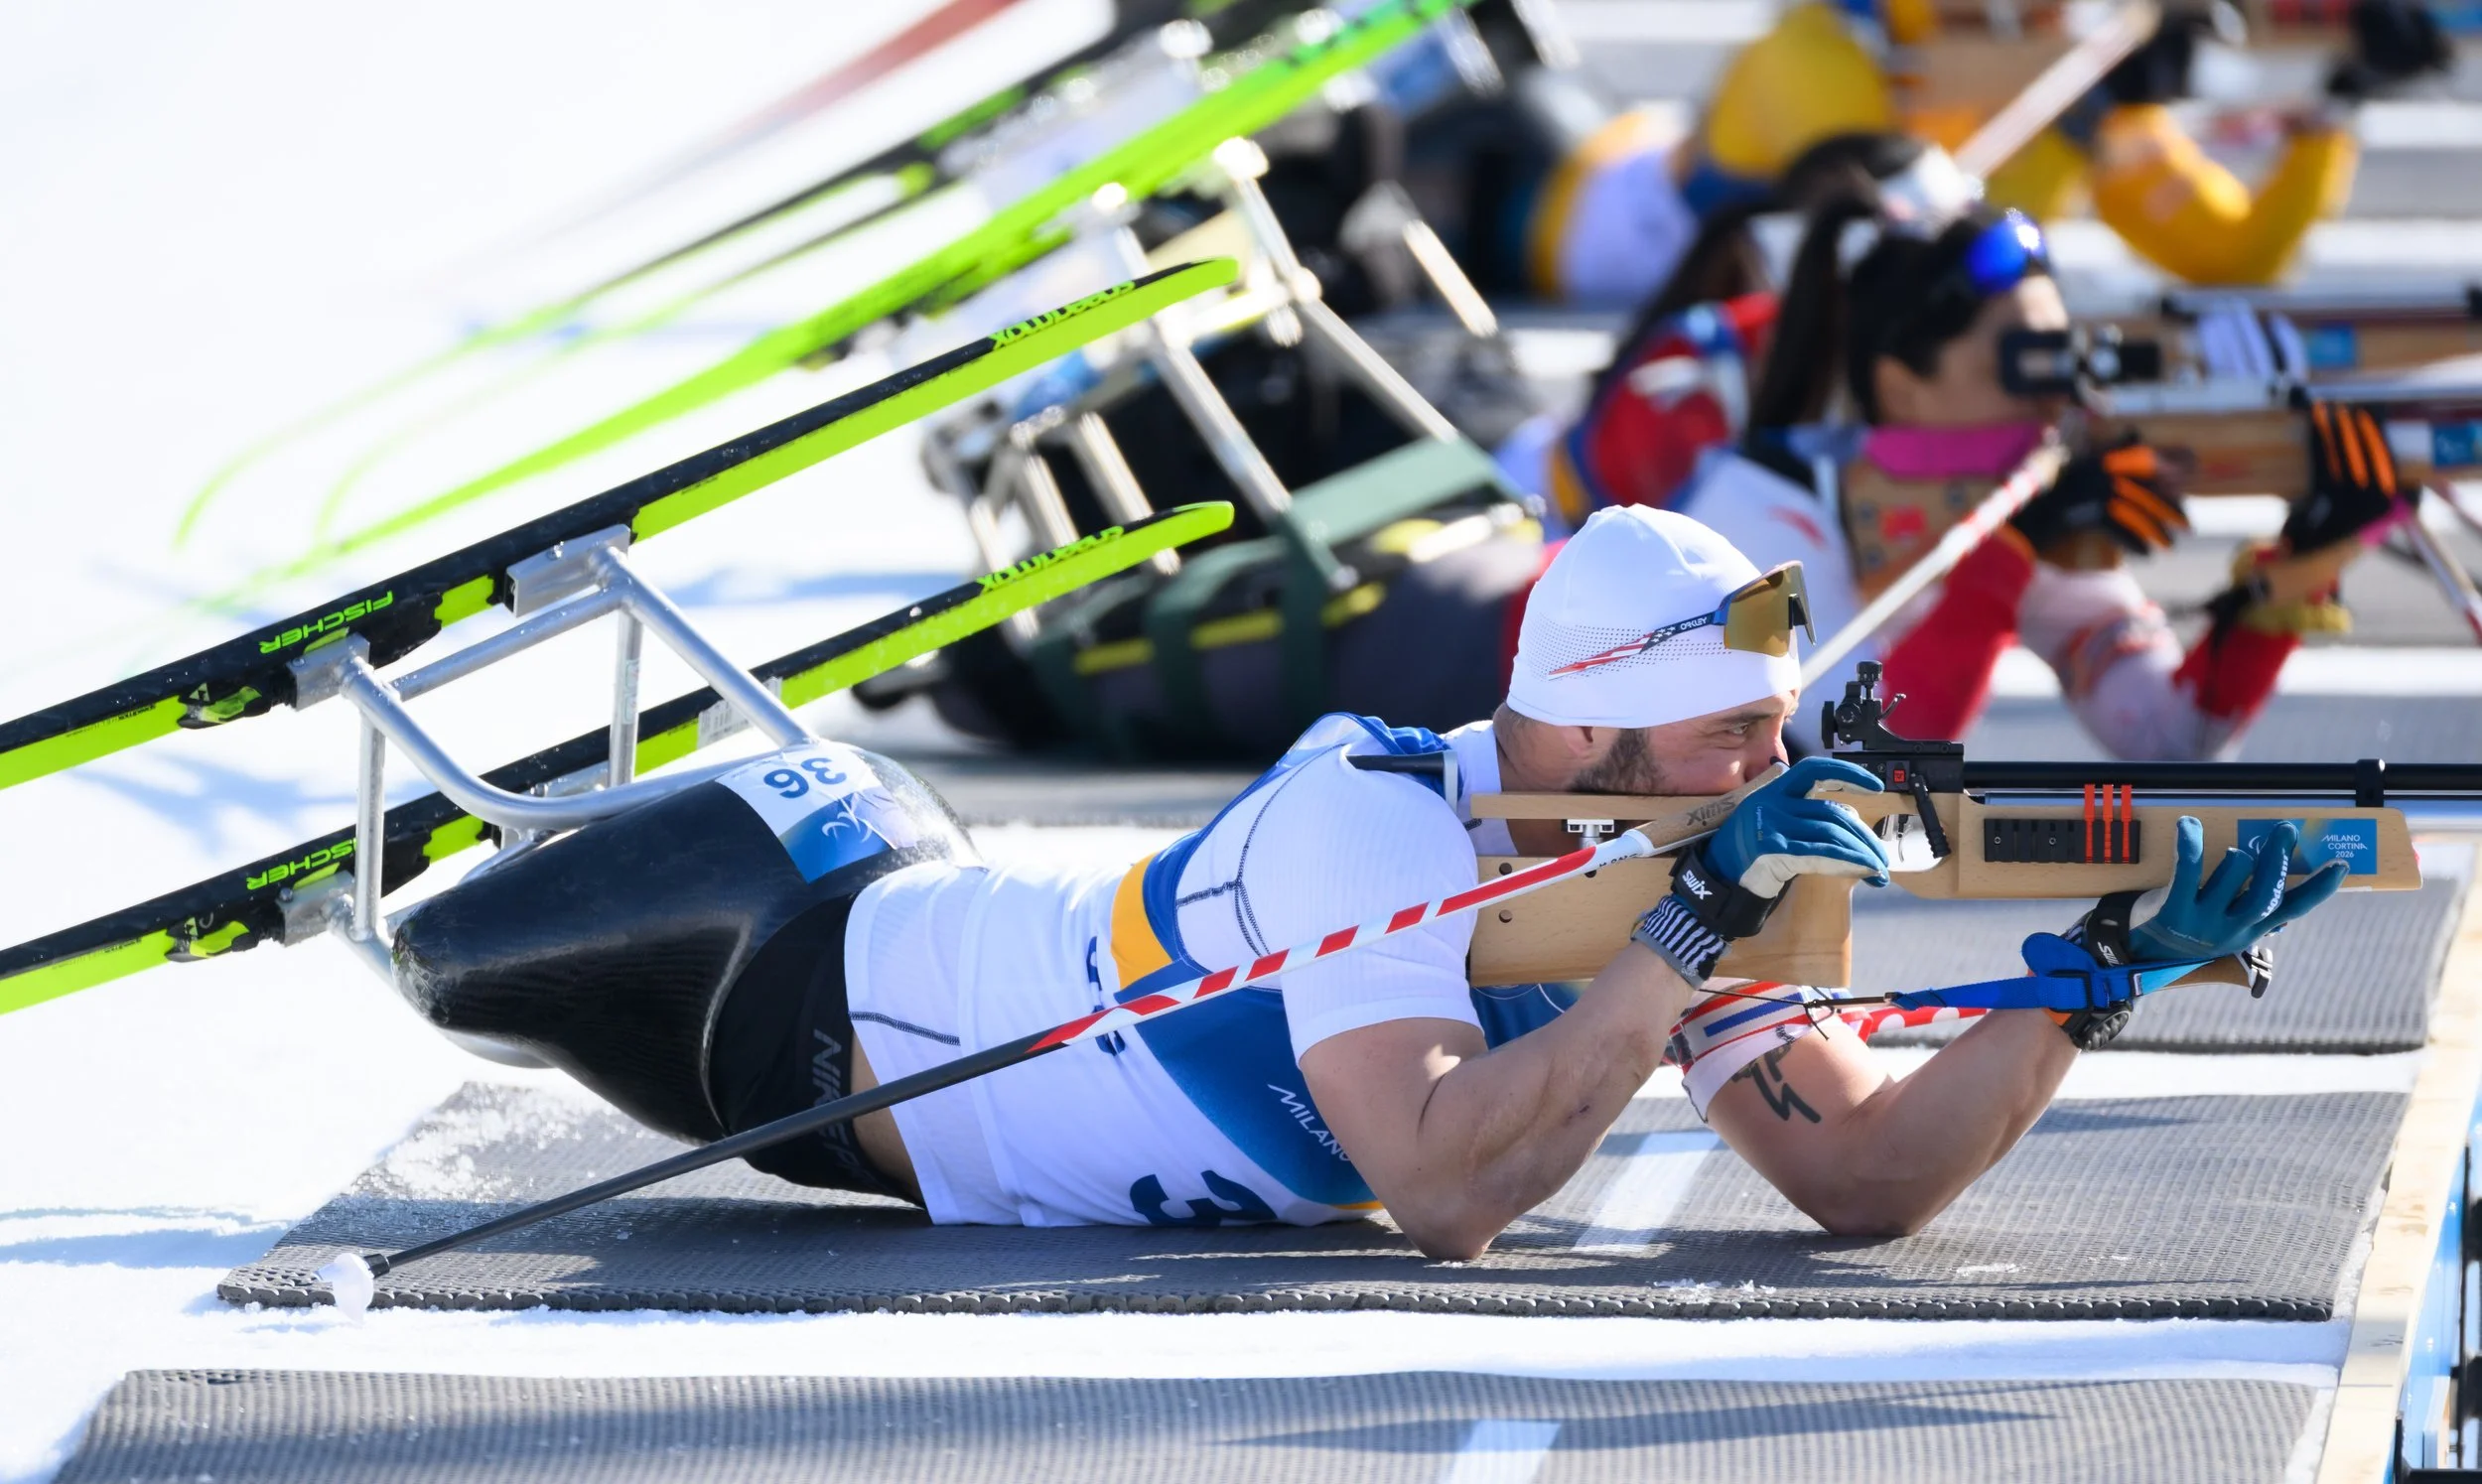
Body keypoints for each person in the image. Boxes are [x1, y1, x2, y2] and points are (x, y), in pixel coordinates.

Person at [390, 507, 2342, 1252]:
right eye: (1735, 735)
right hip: (795, 982)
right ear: (1589, 731)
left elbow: (1855, 1178)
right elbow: (1438, 1188)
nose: (1774, 771)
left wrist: (2090, 979)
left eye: (1779, 729)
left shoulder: (1663, 879)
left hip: (889, 977)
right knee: (427, 949)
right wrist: (1673, 948)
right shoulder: (1370, 821)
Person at [1665, 197, 2409, 758]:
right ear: (1901, 389)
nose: (2059, 400)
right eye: (2022, 367)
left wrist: (2294, 572)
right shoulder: (1762, 509)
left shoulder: (2016, 510)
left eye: (2065, 362)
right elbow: (1865, 751)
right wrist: (2009, 554)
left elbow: (2166, 732)